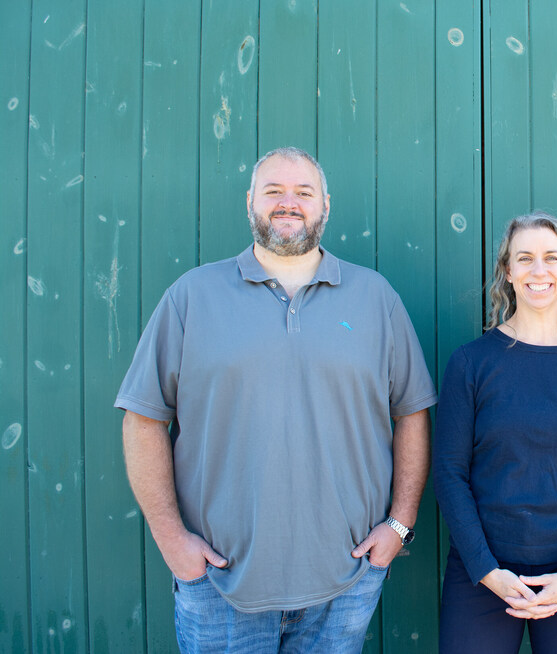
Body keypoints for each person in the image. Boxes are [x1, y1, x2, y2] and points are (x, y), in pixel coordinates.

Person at [115, 146, 437, 653]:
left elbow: (412, 413)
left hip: (345, 581)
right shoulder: (192, 296)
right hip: (220, 585)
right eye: (274, 191)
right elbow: (142, 419)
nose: (289, 203)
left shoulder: (376, 298)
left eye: (303, 192)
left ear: (325, 204)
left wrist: (400, 524)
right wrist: (172, 540)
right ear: (250, 202)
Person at [433, 212, 557, 653]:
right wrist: (487, 570)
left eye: (550, 258)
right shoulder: (471, 364)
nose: (538, 271)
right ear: (508, 270)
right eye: (524, 259)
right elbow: (449, 473)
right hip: (482, 573)